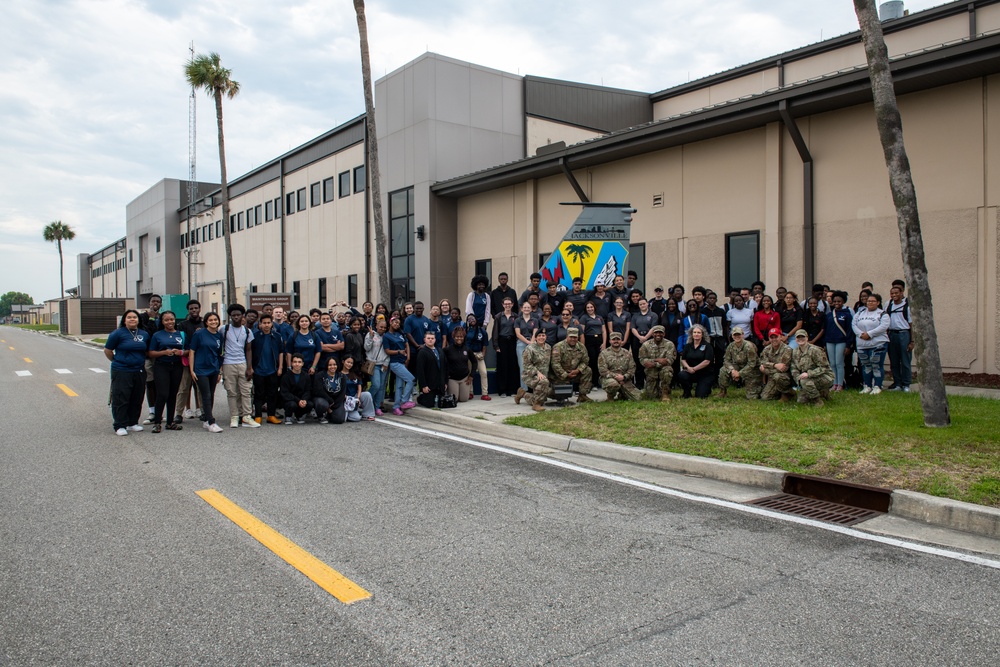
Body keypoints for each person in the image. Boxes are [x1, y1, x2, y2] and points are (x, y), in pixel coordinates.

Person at [104, 309, 151, 436]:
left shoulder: (144, 334)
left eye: (134, 317)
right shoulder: (118, 333)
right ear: (124, 320)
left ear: (138, 320)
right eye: (129, 317)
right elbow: (108, 350)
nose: (132, 319)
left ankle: (132, 423)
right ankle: (120, 424)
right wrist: (117, 361)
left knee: (137, 397)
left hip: (139, 370)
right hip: (122, 370)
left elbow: (146, 351)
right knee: (121, 397)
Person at [220, 304, 258, 429]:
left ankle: (246, 416)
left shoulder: (247, 331)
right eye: (233, 315)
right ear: (230, 316)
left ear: (243, 316)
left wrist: (249, 367)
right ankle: (234, 417)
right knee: (232, 392)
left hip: (242, 363)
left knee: (246, 390)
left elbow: (249, 350)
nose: (236, 317)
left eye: (238, 315)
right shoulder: (224, 329)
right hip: (228, 363)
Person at [147, 310, 185, 432]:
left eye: (172, 319)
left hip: (177, 366)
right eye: (166, 320)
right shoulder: (157, 335)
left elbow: (189, 350)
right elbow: (150, 353)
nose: (170, 322)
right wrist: (164, 352)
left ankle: (170, 422)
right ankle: (157, 422)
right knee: (162, 394)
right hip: (161, 366)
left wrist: (180, 352)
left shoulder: (181, 334)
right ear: (162, 322)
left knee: (173, 394)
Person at [188, 312, 225, 432]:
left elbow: (220, 354)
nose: (213, 322)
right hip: (201, 369)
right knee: (206, 395)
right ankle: (211, 421)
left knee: (211, 394)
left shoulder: (219, 336)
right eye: (210, 320)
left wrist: (219, 371)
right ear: (206, 322)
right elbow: (192, 352)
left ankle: (206, 420)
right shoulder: (199, 334)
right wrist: (192, 370)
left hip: (213, 369)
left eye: (215, 320)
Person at [852, 293, 890, 395]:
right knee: (866, 365)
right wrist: (860, 334)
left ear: (878, 303)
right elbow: (854, 324)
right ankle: (867, 386)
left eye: (873, 301)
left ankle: (877, 386)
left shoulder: (883, 314)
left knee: (876, 365)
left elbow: (883, 327)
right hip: (862, 344)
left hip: (878, 344)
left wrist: (870, 334)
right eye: (868, 301)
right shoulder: (860, 313)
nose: (870, 303)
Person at [250, 313, 284, 423]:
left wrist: (280, 367)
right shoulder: (254, 336)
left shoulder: (277, 336)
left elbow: (281, 352)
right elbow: (250, 352)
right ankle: (258, 415)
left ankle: (271, 415)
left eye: (268, 323)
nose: (266, 325)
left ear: (272, 324)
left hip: (272, 369)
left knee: (272, 393)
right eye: (264, 323)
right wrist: (250, 367)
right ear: (260, 324)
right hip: (258, 370)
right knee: (259, 393)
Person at [174, 299, 203, 423]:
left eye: (196, 308)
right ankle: (179, 413)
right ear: (188, 310)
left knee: (201, 387)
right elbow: (180, 342)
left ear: (199, 309)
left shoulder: (204, 324)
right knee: (184, 387)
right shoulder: (182, 325)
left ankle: (202, 411)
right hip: (186, 360)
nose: (194, 310)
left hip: (201, 360)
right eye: (191, 308)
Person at [383, 315, 417, 415]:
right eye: (395, 322)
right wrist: (398, 352)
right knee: (411, 379)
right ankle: (404, 401)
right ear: (390, 323)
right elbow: (387, 350)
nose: (397, 324)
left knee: (399, 386)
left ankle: (396, 407)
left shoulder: (400, 334)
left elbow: (406, 344)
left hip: (402, 361)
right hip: (395, 362)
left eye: (398, 323)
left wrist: (408, 357)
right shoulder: (387, 336)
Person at [791, 329, 835, 406]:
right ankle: (822, 392)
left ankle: (817, 400)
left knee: (805, 382)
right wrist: (798, 378)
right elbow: (794, 368)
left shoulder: (815, 350)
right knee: (801, 400)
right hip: (808, 378)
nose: (800, 339)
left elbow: (824, 367)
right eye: (798, 337)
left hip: (825, 376)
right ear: (795, 339)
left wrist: (809, 374)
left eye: (803, 337)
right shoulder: (795, 352)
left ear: (807, 338)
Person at [550, 327, 593, 403]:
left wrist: (578, 370)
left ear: (578, 337)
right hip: (560, 375)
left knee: (587, 370)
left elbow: (585, 361)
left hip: (574, 373)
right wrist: (565, 375)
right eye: (571, 337)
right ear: (567, 336)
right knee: (559, 396)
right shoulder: (558, 347)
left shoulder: (581, 347)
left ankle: (582, 395)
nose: (573, 339)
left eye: (575, 337)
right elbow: (555, 364)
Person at [717, 326, 761, 399]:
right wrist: (732, 370)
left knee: (752, 397)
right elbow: (726, 360)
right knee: (723, 370)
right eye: (735, 335)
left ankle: (759, 388)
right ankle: (723, 391)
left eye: (739, 334)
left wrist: (739, 374)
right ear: (732, 336)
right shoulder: (730, 346)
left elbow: (752, 364)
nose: (737, 337)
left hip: (752, 370)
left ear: (743, 335)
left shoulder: (749, 346)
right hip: (738, 367)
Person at [885, 281, 913, 392]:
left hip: (904, 334)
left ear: (902, 293)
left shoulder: (907, 305)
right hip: (891, 334)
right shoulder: (888, 304)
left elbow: (911, 325)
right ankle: (897, 383)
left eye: (897, 293)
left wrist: (912, 341)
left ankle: (906, 384)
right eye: (892, 293)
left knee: (905, 360)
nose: (894, 295)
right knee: (894, 360)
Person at [138, 294, 162, 424]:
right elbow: (147, 333)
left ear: (161, 304)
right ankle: (152, 411)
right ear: (149, 303)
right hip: (147, 356)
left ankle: (159, 411)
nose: (155, 303)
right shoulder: (142, 318)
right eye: (153, 301)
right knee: (150, 383)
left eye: (158, 302)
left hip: (160, 356)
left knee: (160, 384)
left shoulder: (162, 318)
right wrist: (151, 319)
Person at [516, 329, 552, 411]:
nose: (541, 337)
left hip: (543, 376)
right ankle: (536, 405)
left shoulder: (548, 348)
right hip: (529, 375)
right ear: (535, 338)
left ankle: (523, 394)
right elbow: (526, 365)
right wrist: (537, 372)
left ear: (546, 337)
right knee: (544, 382)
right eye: (539, 336)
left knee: (552, 393)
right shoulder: (530, 348)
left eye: (543, 335)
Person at [825, 291, 854, 392]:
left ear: (843, 302)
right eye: (835, 301)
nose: (837, 303)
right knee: (832, 364)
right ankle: (834, 383)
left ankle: (840, 384)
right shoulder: (829, 315)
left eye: (839, 301)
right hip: (830, 341)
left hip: (841, 342)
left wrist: (848, 345)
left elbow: (850, 331)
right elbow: (826, 329)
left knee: (839, 363)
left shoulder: (847, 315)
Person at [599, 332, 641, 401]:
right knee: (613, 384)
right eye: (614, 339)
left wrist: (624, 377)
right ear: (610, 341)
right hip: (609, 379)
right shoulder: (604, 353)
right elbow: (603, 370)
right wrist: (616, 377)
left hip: (624, 379)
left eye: (618, 339)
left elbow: (632, 368)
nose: (616, 341)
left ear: (621, 341)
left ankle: (622, 394)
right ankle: (610, 397)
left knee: (638, 398)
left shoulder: (627, 353)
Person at [638, 325, 676, 401]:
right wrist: (658, 361)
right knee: (652, 396)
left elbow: (670, 360)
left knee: (667, 371)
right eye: (656, 333)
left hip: (664, 368)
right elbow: (642, 359)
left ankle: (665, 393)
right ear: (652, 334)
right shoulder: (646, 345)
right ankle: (657, 390)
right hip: (651, 370)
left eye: (660, 333)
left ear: (664, 334)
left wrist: (653, 362)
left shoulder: (669, 344)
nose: (658, 334)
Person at [491, 297, 519, 397]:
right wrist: (496, 345)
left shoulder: (515, 316)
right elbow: (495, 332)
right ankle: (502, 390)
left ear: (512, 304)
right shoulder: (498, 316)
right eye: (505, 304)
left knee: (512, 366)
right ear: (502, 305)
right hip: (502, 341)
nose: (507, 305)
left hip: (512, 342)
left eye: (509, 304)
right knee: (502, 366)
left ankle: (512, 390)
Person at [678, 324, 714, 399]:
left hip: (705, 374)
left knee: (700, 396)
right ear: (691, 334)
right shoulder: (688, 346)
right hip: (691, 372)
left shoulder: (708, 346)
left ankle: (706, 388)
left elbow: (707, 361)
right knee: (682, 375)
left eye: (698, 332)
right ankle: (687, 392)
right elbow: (683, 359)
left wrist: (694, 369)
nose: (696, 334)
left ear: (702, 334)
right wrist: (688, 368)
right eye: (694, 332)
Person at [630, 297, 658, 389]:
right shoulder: (635, 316)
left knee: (649, 361)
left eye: (644, 303)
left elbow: (653, 328)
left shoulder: (653, 315)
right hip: (637, 340)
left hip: (649, 339)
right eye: (640, 304)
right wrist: (640, 337)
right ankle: (639, 384)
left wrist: (646, 337)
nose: (642, 305)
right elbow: (633, 328)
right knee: (638, 362)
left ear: (647, 304)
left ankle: (650, 384)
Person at [759, 327, 794, 402]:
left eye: (776, 337)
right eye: (772, 337)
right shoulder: (766, 349)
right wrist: (775, 365)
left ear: (781, 337)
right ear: (769, 338)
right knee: (765, 397)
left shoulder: (787, 350)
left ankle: (786, 393)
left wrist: (766, 370)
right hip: (773, 376)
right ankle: (779, 392)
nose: (774, 339)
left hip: (785, 376)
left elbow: (783, 369)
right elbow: (762, 362)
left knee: (777, 376)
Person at [364, 317, 390, 415]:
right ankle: (365, 400)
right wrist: (370, 337)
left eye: (384, 327)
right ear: (377, 326)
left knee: (382, 387)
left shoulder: (387, 336)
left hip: (383, 364)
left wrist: (386, 362)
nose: (382, 329)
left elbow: (388, 351)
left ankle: (377, 406)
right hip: (373, 364)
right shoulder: (371, 334)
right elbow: (366, 348)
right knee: (376, 385)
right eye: (381, 327)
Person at [578, 300, 606, 388]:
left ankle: (599, 381)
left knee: (600, 361)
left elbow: (604, 331)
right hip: (589, 340)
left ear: (594, 308)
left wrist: (604, 343)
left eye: (591, 307)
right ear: (585, 309)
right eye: (588, 307)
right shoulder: (584, 318)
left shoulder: (599, 318)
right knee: (592, 361)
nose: (590, 309)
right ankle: (592, 383)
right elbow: (582, 332)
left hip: (599, 340)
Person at [442, 326, 474, 402]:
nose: (459, 338)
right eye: (457, 337)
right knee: (454, 399)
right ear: (453, 337)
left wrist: (471, 375)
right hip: (452, 378)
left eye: (461, 337)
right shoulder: (448, 349)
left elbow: (474, 362)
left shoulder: (467, 349)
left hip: (464, 378)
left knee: (464, 399)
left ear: (464, 337)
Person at [280, 354, 314, 424]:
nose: (297, 364)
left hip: (301, 399)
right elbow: (285, 393)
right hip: (290, 400)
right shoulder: (286, 377)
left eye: (299, 362)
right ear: (292, 363)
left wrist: (304, 400)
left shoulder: (306, 376)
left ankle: (299, 415)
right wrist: (298, 400)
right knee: (292, 405)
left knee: (310, 404)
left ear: (302, 364)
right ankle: (288, 416)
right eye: (295, 362)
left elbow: (308, 390)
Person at [415, 331, 446, 408]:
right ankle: (421, 397)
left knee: (441, 403)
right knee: (430, 404)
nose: (430, 340)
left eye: (432, 338)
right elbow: (420, 370)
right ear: (424, 340)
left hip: (440, 383)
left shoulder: (440, 351)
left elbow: (445, 367)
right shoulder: (422, 352)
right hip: (429, 384)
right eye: (428, 338)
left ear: (435, 340)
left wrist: (445, 382)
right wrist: (423, 385)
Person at [464, 314, 491, 400]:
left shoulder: (482, 330)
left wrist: (483, 354)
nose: (471, 320)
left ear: (476, 319)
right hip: (469, 355)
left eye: (473, 318)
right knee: (469, 373)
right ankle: (470, 392)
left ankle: (485, 393)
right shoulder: (466, 331)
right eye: (469, 319)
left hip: (479, 354)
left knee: (483, 373)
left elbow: (485, 344)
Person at [342, 356, 376, 421]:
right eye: (348, 362)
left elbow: (359, 386)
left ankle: (368, 414)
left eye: (351, 363)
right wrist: (347, 398)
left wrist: (357, 398)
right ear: (343, 362)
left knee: (367, 394)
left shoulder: (354, 374)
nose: (349, 364)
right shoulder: (339, 374)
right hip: (344, 399)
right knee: (350, 418)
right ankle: (351, 412)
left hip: (354, 397)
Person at [514, 301, 538, 391]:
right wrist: (527, 342)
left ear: (531, 309)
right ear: (521, 309)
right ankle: (524, 390)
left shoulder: (535, 320)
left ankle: (534, 388)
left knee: (533, 365)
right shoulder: (518, 320)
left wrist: (531, 342)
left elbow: (535, 332)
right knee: (523, 367)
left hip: (533, 343)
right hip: (521, 344)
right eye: (525, 307)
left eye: (528, 307)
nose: (527, 309)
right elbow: (518, 334)